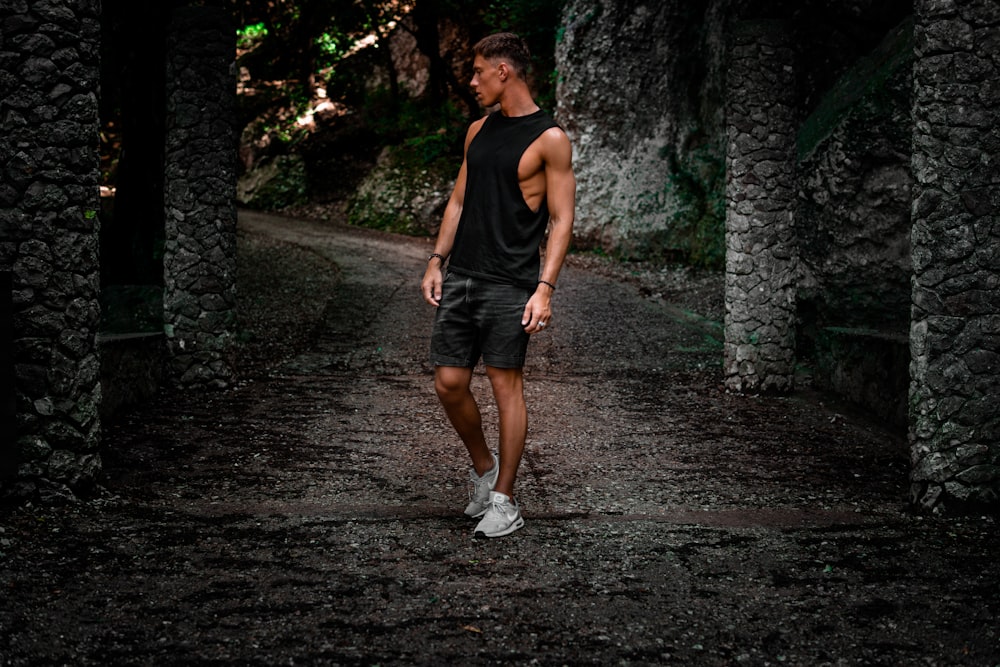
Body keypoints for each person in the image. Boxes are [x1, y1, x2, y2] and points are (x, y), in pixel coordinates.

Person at [421, 32, 576, 538]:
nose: (472, 81)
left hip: (510, 283)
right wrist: (436, 259)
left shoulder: (550, 140)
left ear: (503, 72)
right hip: (462, 275)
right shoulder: (477, 131)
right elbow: (459, 202)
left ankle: (506, 500)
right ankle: (485, 470)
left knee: (506, 388)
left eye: (478, 71)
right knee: (449, 382)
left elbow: (562, 218)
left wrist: (545, 288)